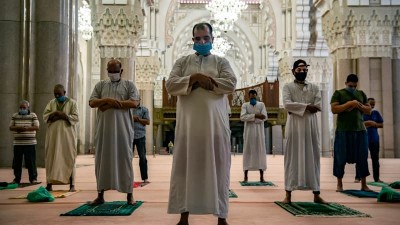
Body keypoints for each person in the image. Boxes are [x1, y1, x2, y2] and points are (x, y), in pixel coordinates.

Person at [166, 22, 236, 225]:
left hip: (215, 128)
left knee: (219, 169)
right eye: (198, 39)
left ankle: (221, 217)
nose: (202, 42)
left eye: (206, 38)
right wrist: (193, 78)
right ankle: (184, 216)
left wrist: (206, 82)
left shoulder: (221, 62)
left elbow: (231, 83)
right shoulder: (183, 62)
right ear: (193, 41)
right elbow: (171, 84)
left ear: (213, 39)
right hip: (188, 129)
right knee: (185, 169)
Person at [89, 59, 139, 205]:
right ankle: (100, 195)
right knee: (102, 161)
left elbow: (135, 102)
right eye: (110, 71)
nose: (112, 74)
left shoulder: (129, 85)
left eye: (115, 71)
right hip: (104, 131)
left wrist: (111, 104)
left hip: (123, 131)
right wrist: (107, 100)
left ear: (121, 71)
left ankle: (129, 195)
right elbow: (92, 102)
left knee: (125, 160)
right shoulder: (100, 85)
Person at [282, 59, 326, 204]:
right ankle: (288, 194)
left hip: (310, 127)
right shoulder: (287, 87)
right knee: (292, 157)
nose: (302, 72)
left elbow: (318, 105)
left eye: (304, 70)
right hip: (294, 127)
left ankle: (316, 193)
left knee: (313, 157)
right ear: (293, 71)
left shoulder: (314, 87)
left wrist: (299, 107)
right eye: (299, 70)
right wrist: (308, 107)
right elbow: (287, 104)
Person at [331, 74, 372, 192]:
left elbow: (368, 110)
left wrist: (357, 105)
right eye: (350, 86)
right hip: (343, 130)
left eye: (354, 86)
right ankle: (339, 184)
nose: (352, 88)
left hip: (360, 130)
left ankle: (364, 184)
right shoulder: (338, 93)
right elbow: (334, 109)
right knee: (340, 157)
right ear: (346, 83)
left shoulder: (361, 94)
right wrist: (349, 104)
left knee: (362, 157)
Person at [43, 84, 79, 192]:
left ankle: (72, 184)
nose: (57, 96)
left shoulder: (72, 103)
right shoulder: (51, 103)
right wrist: (55, 114)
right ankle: (49, 184)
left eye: (59, 94)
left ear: (65, 92)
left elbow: (76, 117)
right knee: (51, 157)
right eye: (55, 94)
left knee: (68, 156)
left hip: (67, 136)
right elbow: (46, 116)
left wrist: (63, 115)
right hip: (53, 136)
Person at [240, 90, 268, 183]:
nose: (252, 98)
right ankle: (245, 177)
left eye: (254, 96)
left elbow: (264, 117)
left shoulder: (261, 105)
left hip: (259, 133)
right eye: (251, 97)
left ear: (256, 96)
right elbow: (242, 117)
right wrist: (256, 115)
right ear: (249, 97)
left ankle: (261, 177)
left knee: (260, 151)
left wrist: (251, 118)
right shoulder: (245, 105)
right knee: (248, 151)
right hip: (248, 133)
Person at [9, 100, 39, 185]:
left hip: (30, 143)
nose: (22, 109)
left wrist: (26, 128)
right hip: (18, 143)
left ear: (28, 108)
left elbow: (36, 126)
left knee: (31, 162)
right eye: (21, 108)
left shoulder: (33, 115)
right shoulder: (15, 115)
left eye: (24, 108)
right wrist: (18, 128)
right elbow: (11, 127)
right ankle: (17, 179)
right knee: (17, 162)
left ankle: (33, 179)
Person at [354, 97, 384, 183]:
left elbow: (381, 124)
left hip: (374, 140)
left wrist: (373, 124)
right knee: (361, 158)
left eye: (373, 104)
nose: (372, 106)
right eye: (371, 104)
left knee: (375, 159)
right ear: (366, 104)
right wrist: (369, 123)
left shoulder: (376, 113)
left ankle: (376, 178)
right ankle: (357, 177)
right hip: (363, 139)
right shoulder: (361, 113)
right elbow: (358, 125)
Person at [132, 97, 150, 183]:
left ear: (139, 100)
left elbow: (147, 122)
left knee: (142, 157)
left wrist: (138, 119)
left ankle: (145, 178)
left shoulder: (144, 109)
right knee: (127, 158)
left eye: (136, 99)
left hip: (141, 136)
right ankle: (127, 178)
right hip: (129, 136)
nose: (135, 101)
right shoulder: (129, 110)